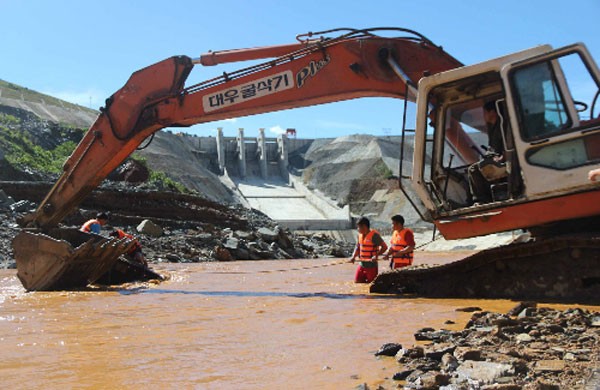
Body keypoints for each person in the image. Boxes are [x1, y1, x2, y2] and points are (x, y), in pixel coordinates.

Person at [467, 100, 507, 204]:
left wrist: (502, 157)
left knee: (473, 169)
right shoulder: (492, 128)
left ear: (492, 112)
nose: (483, 116)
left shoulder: (503, 126)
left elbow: (510, 146)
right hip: (494, 158)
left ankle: (481, 199)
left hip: (503, 159)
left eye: (485, 112)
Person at [349, 217, 388, 283]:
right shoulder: (359, 236)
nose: (358, 229)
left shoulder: (374, 236)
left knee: (371, 283)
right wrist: (353, 256)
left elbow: (384, 247)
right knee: (357, 282)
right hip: (361, 264)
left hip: (371, 265)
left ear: (364, 227)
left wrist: (376, 255)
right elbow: (358, 247)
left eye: (359, 227)